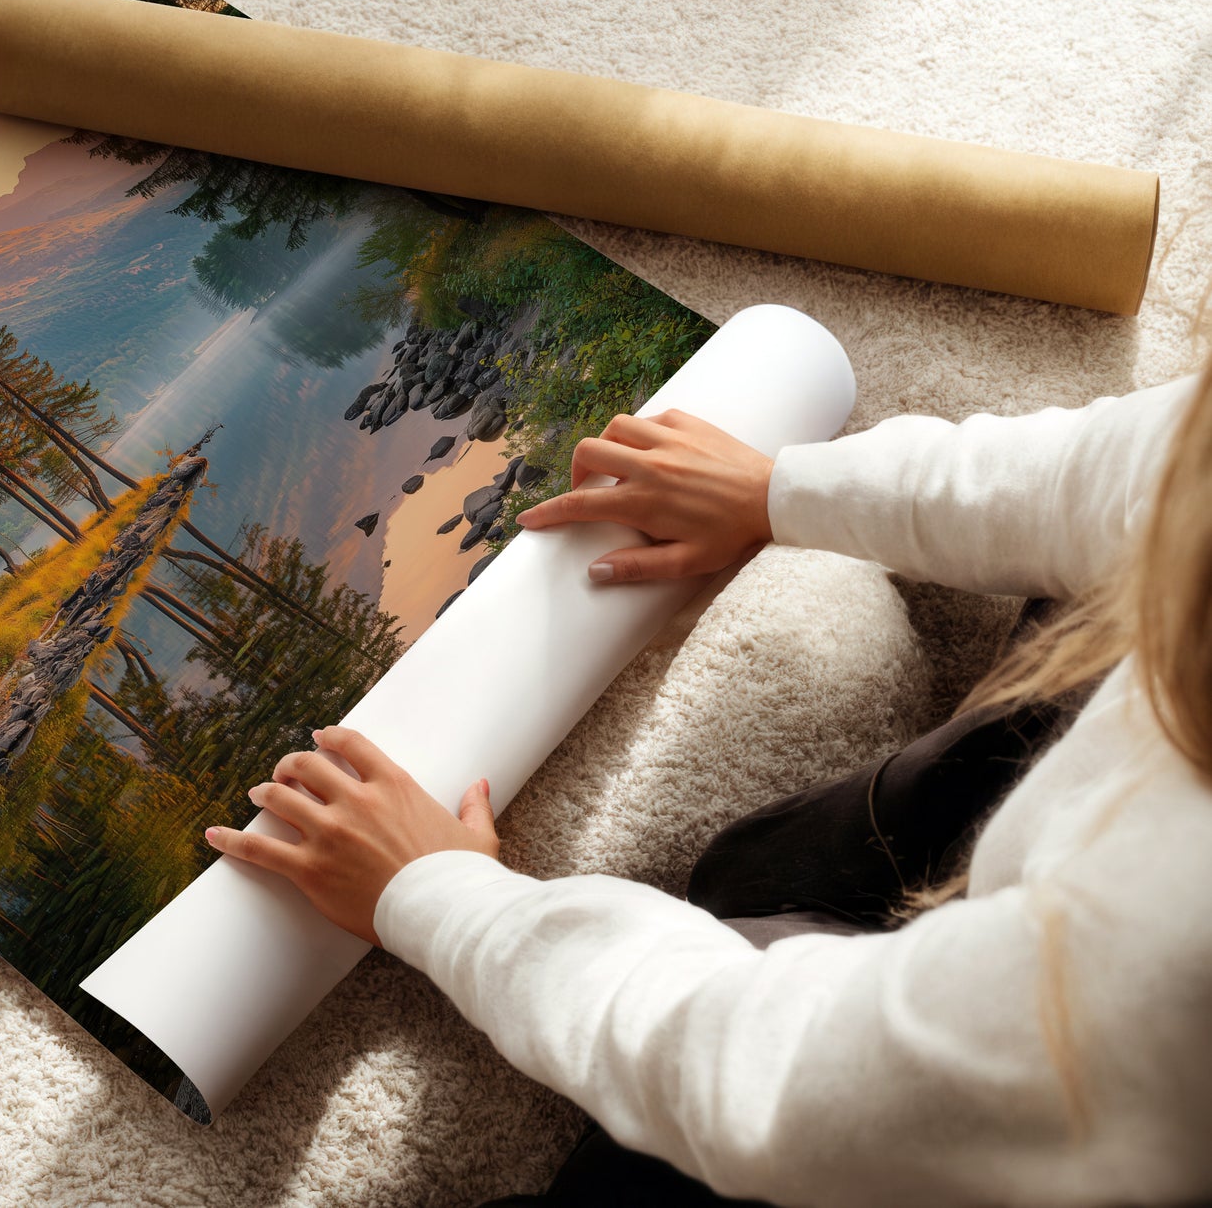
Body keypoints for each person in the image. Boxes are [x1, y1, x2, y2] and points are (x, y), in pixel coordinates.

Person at [205, 369, 1212, 1206]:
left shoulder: (1163, 958)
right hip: (1069, 919)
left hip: (1070, 1113)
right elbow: (1139, 467)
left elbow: (776, 1079)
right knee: (762, 870)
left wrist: (440, 897)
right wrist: (779, 489)